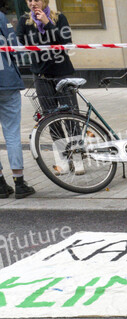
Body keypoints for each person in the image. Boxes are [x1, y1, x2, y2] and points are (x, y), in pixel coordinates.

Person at [17, 0, 76, 118]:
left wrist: (47, 23)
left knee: (71, 115)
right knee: (49, 116)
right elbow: (19, 42)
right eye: (29, 1)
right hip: (41, 75)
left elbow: (66, 42)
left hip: (62, 72)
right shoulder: (24, 20)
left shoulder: (59, 18)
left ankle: (73, 131)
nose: (33, 3)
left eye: (36, 0)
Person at [0, 2, 34, 198]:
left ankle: (0, 184)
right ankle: (19, 183)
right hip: (7, 82)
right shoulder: (1, 17)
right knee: (12, 133)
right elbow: (15, 47)